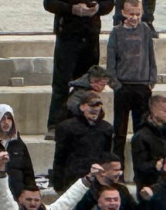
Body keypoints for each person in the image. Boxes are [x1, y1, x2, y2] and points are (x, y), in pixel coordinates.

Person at [45, 2, 115, 135]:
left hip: (91, 35)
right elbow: (49, 3)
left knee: (88, 84)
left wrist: (98, 8)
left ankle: (85, 120)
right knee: (61, 83)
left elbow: (109, 3)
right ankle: (55, 125)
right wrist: (72, 9)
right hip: (67, 34)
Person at [107, 0, 158, 166]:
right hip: (123, 86)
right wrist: (115, 84)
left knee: (141, 131)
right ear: (123, 13)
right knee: (119, 131)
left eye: (138, 14)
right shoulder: (116, 33)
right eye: (131, 14)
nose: (135, 18)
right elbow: (111, 61)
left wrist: (151, 79)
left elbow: (151, 55)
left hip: (142, 86)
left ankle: (140, 168)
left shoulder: (145, 30)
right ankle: (117, 167)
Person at [52, 92, 114, 194]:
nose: (95, 109)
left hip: (98, 179)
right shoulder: (66, 127)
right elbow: (60, 157)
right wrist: (58, 183)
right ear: (82, 107)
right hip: (73, 179)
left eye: (98, 105)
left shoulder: (106, 128)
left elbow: (107, 155)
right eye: (91, 105)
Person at [130, 95, 166, 193]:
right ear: (154, 112)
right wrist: (155, 165)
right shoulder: (141, 136)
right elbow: (139, 165)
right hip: (151, 186)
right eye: (165, 110)